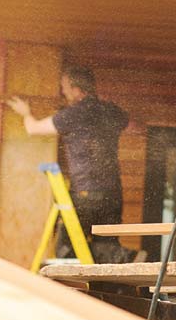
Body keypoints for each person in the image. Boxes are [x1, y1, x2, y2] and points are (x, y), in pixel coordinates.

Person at [7, 65, 130, 264]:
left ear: (77, 89)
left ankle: (76, 282)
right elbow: (130, 122)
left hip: (85, 192)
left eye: (65, 88)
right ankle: (119, 260)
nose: (63, 92)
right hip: (113, 194)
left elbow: (33, 129)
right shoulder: (111, 111)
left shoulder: (73, 114)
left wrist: (25, 113)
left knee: (68, 251)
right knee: (106, 247)